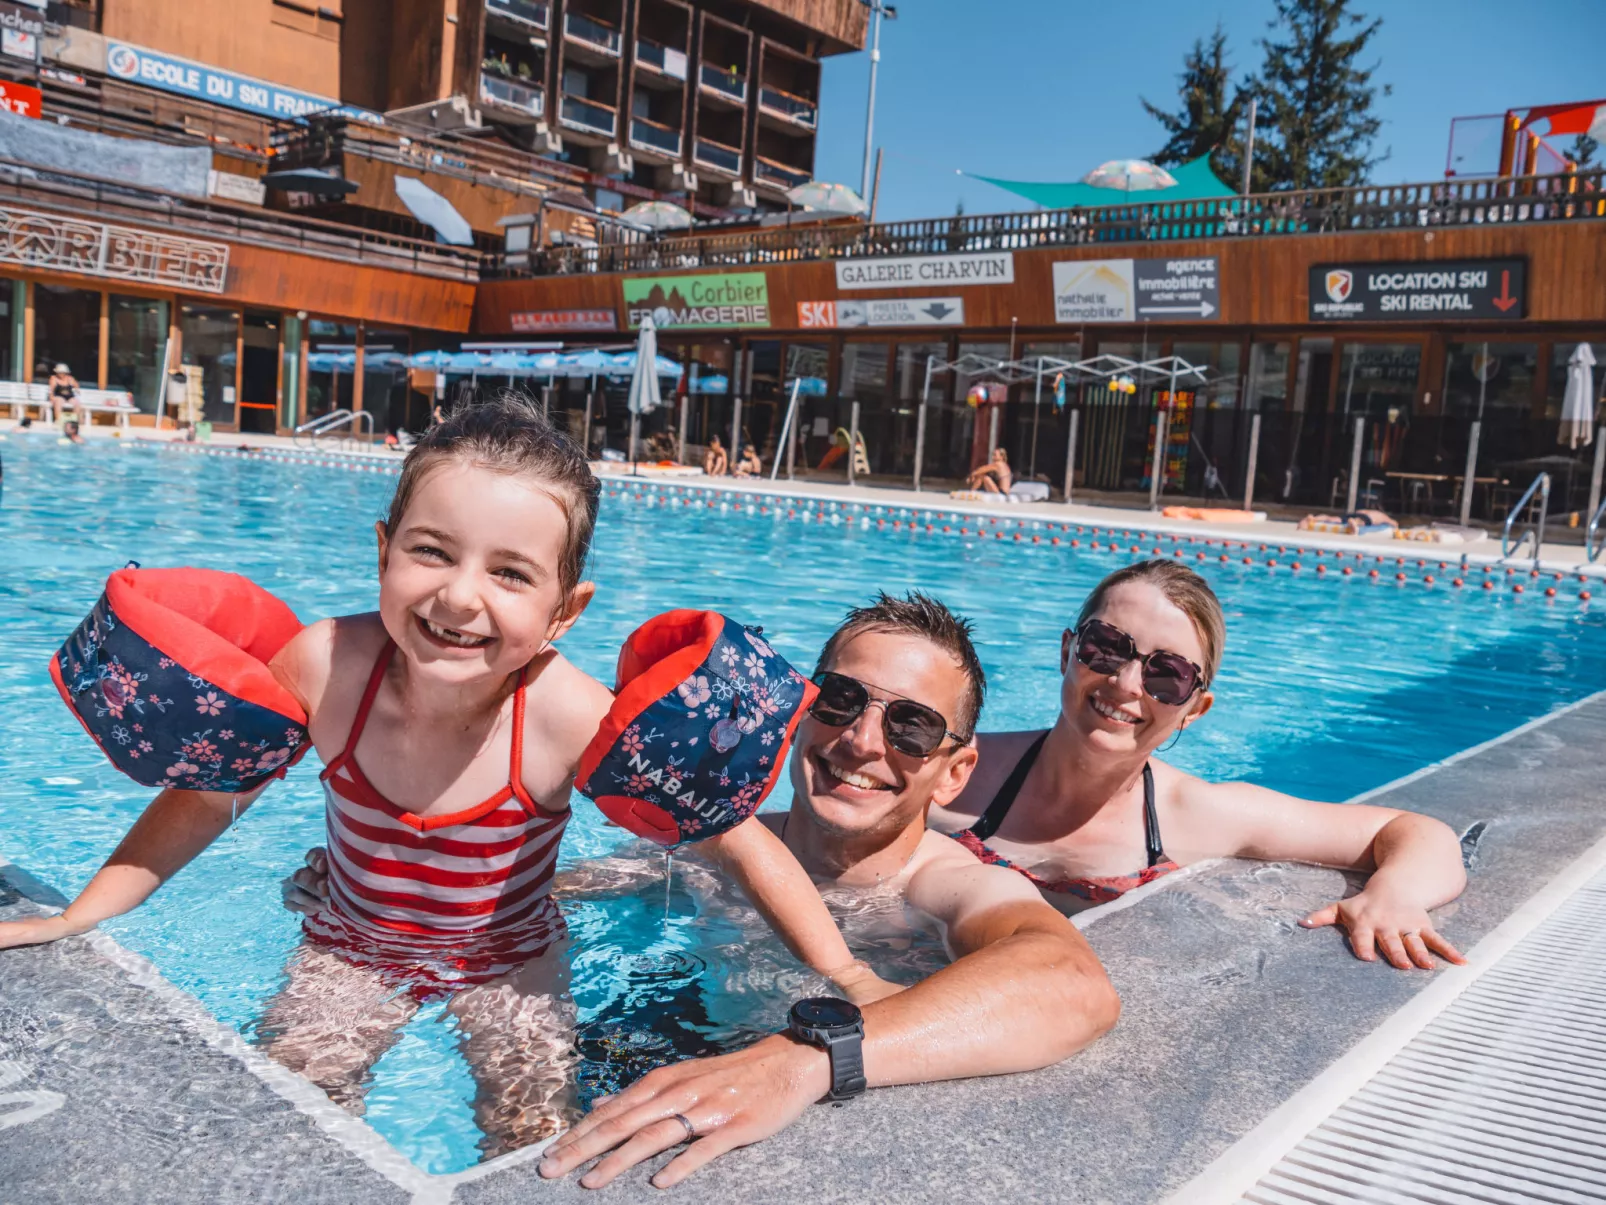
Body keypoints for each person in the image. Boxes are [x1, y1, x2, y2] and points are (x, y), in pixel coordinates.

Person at [0, 397, 891, 1152]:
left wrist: (848, 977)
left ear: (563, 611)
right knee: (288, 1113)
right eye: (431, 551)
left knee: (535, 1133)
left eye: (510, 573)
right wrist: (80, 912)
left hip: (510, 964)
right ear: (384, 550)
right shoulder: (325, 668)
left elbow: (733, 841)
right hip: (351, 946)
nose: (461, 596)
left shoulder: (563, 715)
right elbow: (204, 800)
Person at [536, 593, 1119, 1189]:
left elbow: (1072, 986)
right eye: (841, 700)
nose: (863, 741)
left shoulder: (944, 886)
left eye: (912, 726)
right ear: (799, 713)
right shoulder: (711, 850)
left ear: (955, 773)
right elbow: (523, 910)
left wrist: (808, 1059)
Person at [929, 559, 1468, 971]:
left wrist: (1393, 894)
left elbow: (1416, 832)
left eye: (1167, 675)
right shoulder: (956, 768)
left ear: (1195, 708)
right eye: (1107, 648)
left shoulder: (1200, 815)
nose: (1125, 684)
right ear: (1068, 650)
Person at [48, 363, 82, 427]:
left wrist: (75, 387)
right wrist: (51, 397)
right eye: (59, 372)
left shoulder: (70, 378)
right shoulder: (54, 378)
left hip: (69, 396)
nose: (61, 374)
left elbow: (77, 387)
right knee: (59, 401)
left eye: (62, 372)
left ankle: (75, 421)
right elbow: (51, 390)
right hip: (58, 396)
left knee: (77, 402)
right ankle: (58, 421)